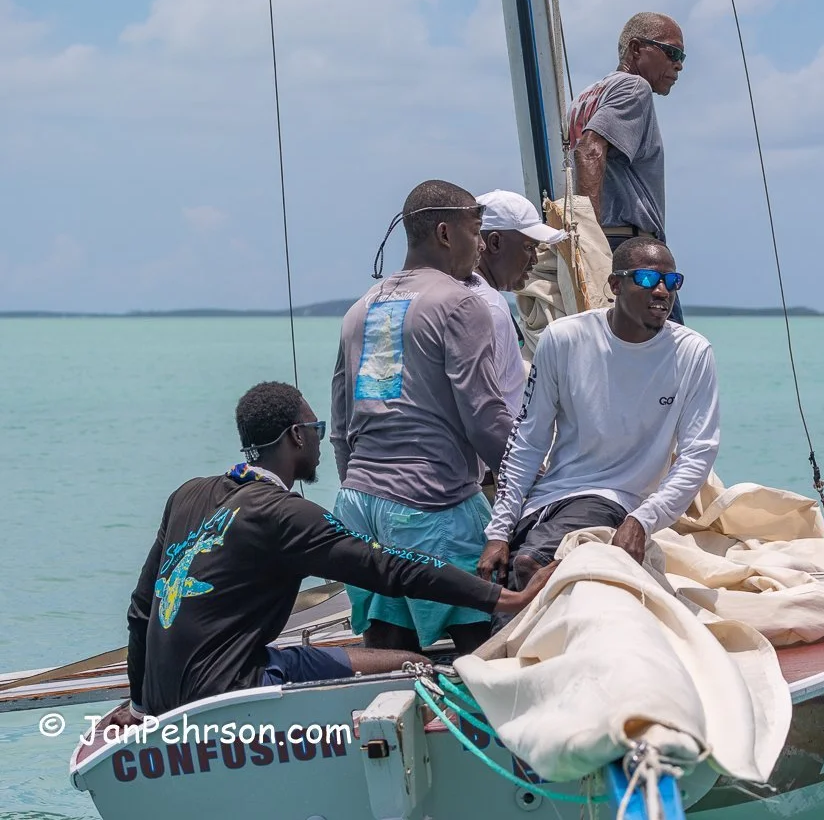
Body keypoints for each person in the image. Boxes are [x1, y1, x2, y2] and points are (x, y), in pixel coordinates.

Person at [117, 382, 549, 720]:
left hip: (161, 699)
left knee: (319, 657)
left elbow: (140, 610)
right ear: (295, 437)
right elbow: (390, 567)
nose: (321, 439)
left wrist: (140, 707)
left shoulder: (187, 494)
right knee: (409, 661)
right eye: (316, 430)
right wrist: (507, 597)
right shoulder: (286, 514)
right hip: (230, 691)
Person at [330, 180, 515, 654]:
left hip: (357, 506)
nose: (480, 247)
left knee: (388, 649)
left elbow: (340, 426)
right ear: (445, 233)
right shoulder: (460, 302)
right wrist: (534, 484)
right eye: (476, 232)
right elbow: (484, 416)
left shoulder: (359, 309)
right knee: (488, 649)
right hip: (431, 507)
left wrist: (362, 487)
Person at [477, 236, 720, 592]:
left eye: (672, 282)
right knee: (489, 574)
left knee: (532, 561)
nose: (662, 292)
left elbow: (698, 454)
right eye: (649, 280)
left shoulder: (691, 353)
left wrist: (643, 519)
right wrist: (499, 530)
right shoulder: (564, 338)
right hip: (548, 500)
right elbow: (529, 439)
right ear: (615, 285)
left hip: (617, 498)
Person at [565, 11, 686, 323]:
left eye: (681, 56)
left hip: (612, 246)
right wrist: (587, 240)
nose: (679, 64)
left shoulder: (587, 96)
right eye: (671, 52)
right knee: (667, 363)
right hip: (628, 249)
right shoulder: (634, 88)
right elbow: (590, 150)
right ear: (636, 49)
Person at [468, 189, 566, 416]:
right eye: (529, 247)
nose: (534, 260)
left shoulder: (464, 295)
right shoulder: (488, 306)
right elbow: (484, 406)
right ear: (494, 243)